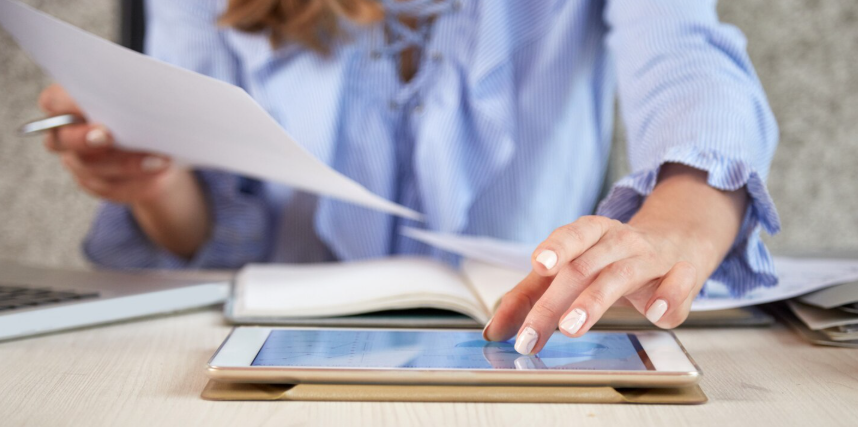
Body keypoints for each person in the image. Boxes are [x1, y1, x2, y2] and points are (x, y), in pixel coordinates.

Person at [38, 0, 780, 355]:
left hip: (535, 351)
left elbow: (689, 61)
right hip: (268, 350)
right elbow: (211, 220)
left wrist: (677, 222)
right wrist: (153, 184)